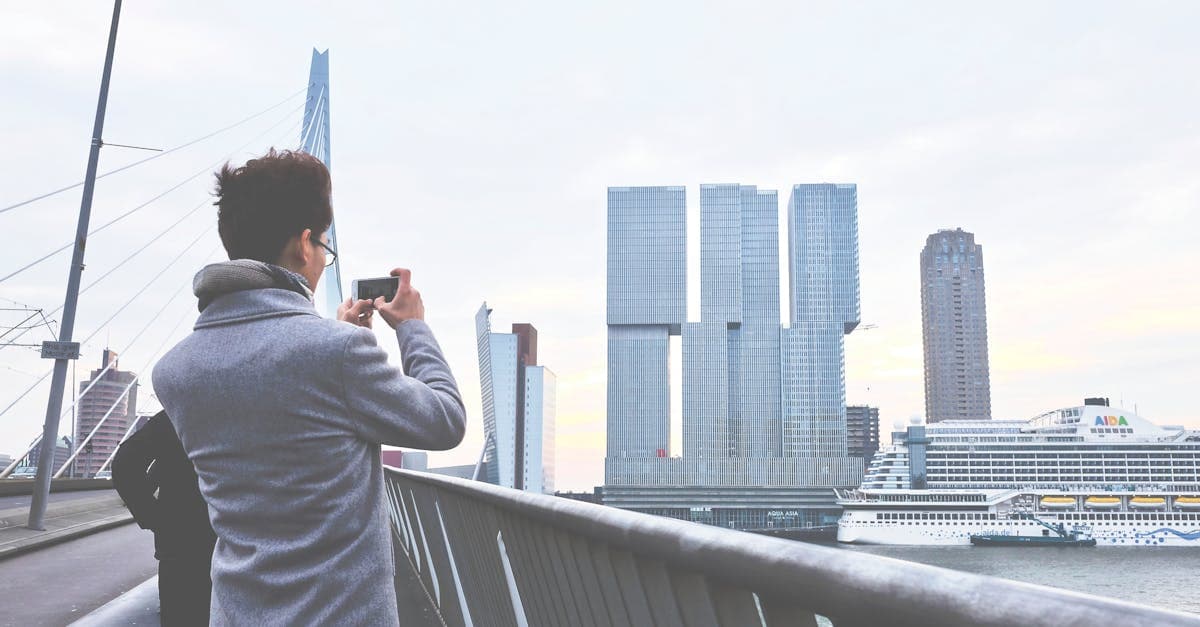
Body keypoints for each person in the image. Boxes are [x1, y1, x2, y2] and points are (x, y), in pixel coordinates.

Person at [151, 148, 467, 625]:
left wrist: (342, 340)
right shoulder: (335, 355)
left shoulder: (174, 371)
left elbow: (279, 411)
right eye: (324, 246)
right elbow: (445, 422)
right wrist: (412, 328)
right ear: (304, 245)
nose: (323, 260)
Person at [112, 410, 216, 626]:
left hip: (180, 549)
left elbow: (125, 464)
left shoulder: (180, 411)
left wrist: (156, 519)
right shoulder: (257, 405)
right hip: (240, 548)